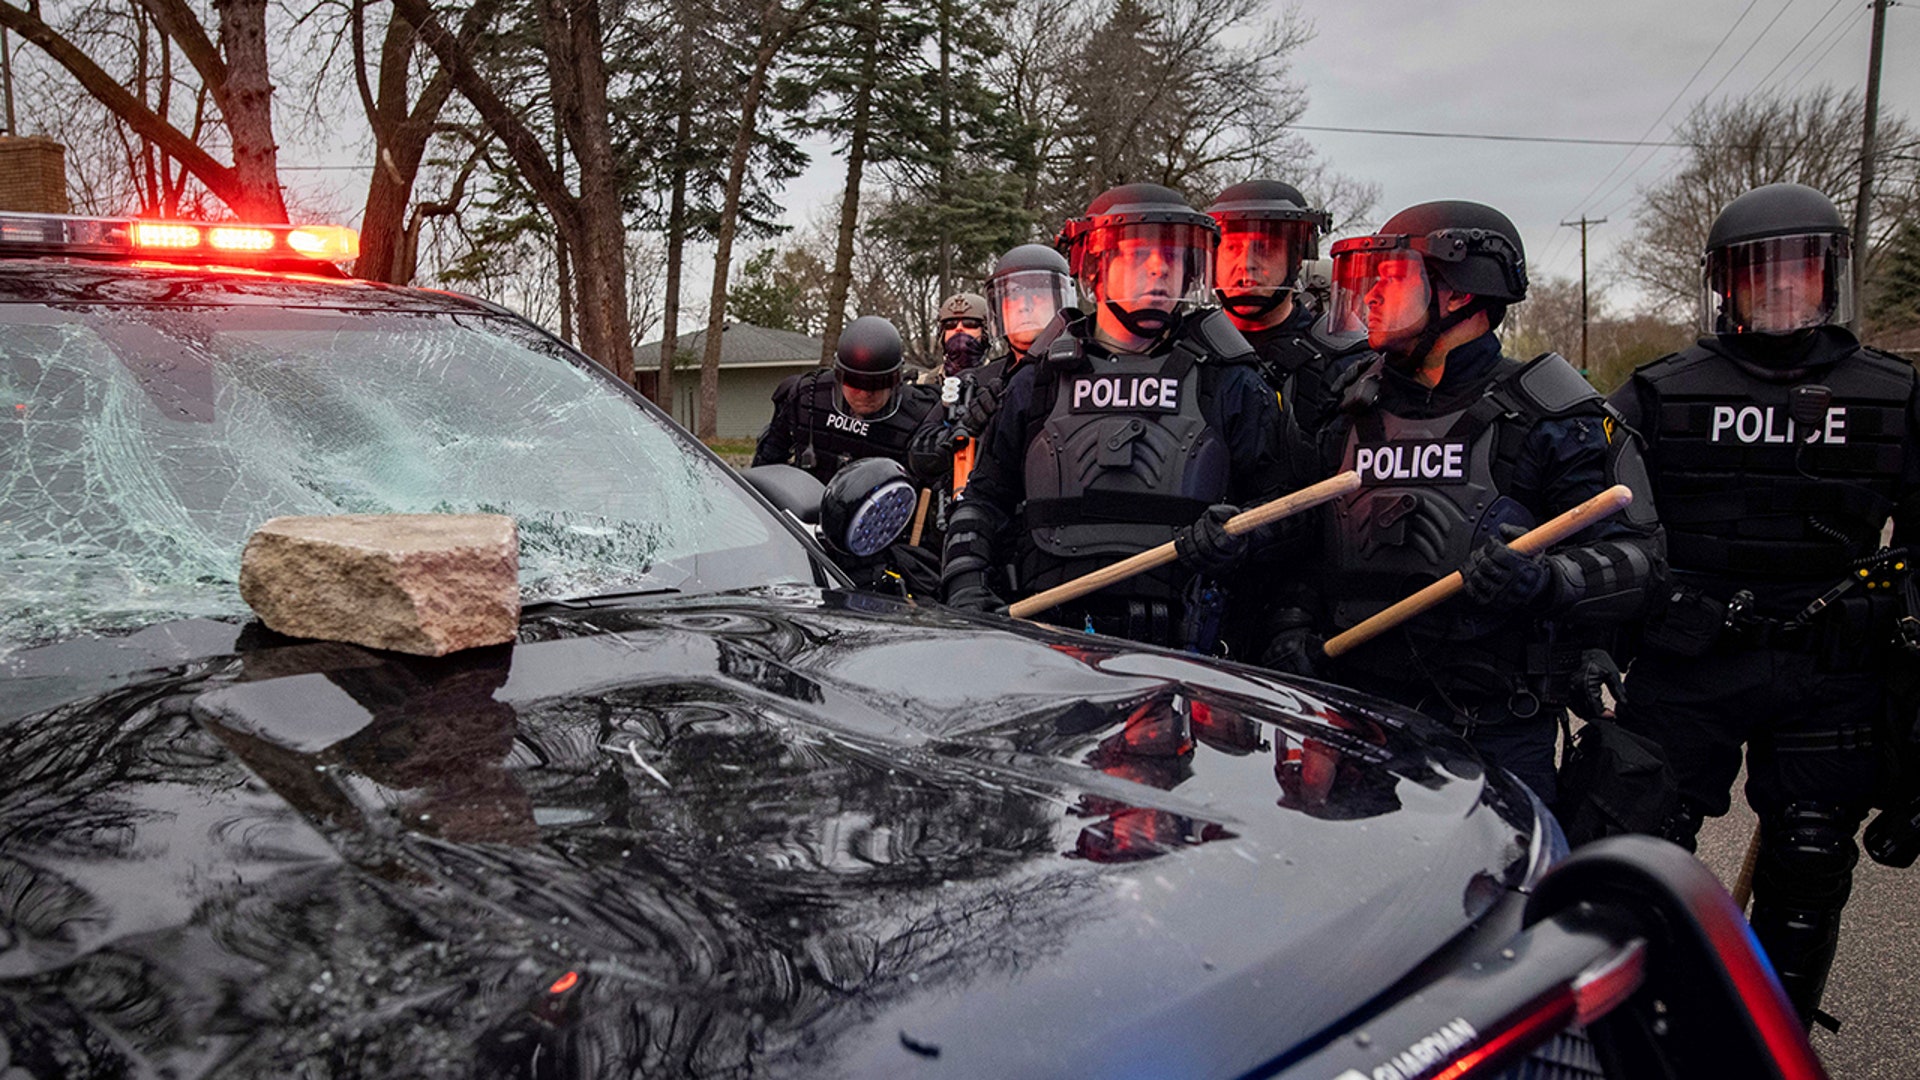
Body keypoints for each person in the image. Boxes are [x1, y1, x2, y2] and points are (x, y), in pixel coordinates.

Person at [1608, 182, 1920, 1028]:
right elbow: (1610, 531)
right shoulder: (1662, 393)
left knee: (1811, 866)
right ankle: (1647, 1031)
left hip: (1831, 668)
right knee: (1642, 852)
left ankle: (1768, 1036)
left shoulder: (1892, 394)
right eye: (1760, 274)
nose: (1781, 289)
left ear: (1829, 279)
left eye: (1800, 271)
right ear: (1727, 286)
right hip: (1693, 659)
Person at [1266, 200, 1662, 803]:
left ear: (1458, 294)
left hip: (1492, 724)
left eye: (1390, 280)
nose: (1369, 297)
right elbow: (1305, 547)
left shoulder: (1549, 418)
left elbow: (1643, 562)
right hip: (1358, 710)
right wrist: (1292, 622)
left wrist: (1547, 579)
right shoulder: (1345, 413)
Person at [939, 183, 1285, 652]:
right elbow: (982, 502)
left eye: (1174, 257)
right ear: (1096, 269)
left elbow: (1288, 511)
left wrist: (1241, 537)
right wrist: (965, 588)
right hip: (1049, 649)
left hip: (1185, 658)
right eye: (1140, 254)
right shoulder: (1035, 383)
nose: (1161, 268)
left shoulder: (1229, 382)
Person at [907, 244, 1077, 537]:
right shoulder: (976, 381)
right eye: (1013, 297)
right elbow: (919, 456)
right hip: (984, 532)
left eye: (1037, 295)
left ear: (1060, 300)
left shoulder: (1089, 374)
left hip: (1064, 533)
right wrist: (963, 429)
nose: (1025, 306)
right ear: (999, 311)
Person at [1206, 179, 1367, 434]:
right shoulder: (1187, 352)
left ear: (1298, 257)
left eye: (1264, 247)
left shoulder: (1342, 360)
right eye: (1233, 248)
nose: (1247, 264)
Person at [752, 315, 936, 485]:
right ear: (839, 376)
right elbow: (766, 465)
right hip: (804, 511)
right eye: (855, 382)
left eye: (877, 384)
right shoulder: (805, 396)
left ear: (895, 380)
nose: (865, 394)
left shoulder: (920, 417)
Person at [917, 292, 993, 385]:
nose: (959, 328)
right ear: (942, 334)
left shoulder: (1002, 379)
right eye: (951, 325)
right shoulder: (923, 383)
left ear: (985, 331)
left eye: (969, 323)